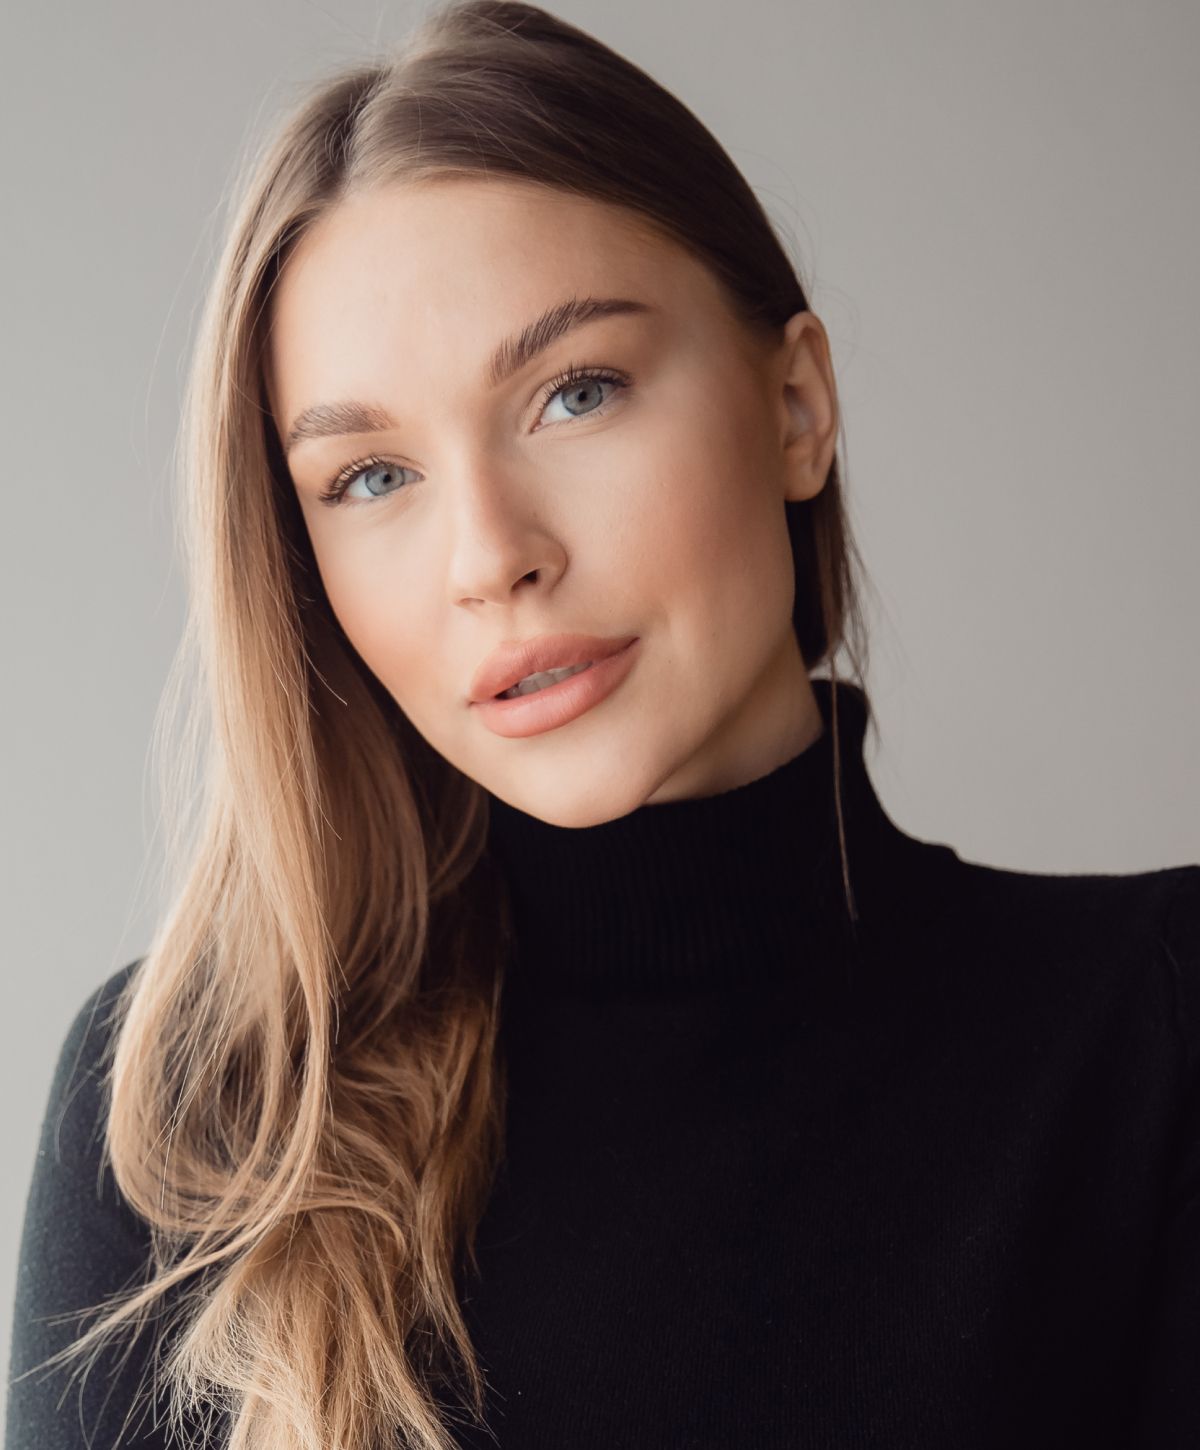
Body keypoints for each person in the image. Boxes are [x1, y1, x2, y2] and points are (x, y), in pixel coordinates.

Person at [6, 2, 1198, 1447]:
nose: (490, 553)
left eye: (576, 392)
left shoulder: (1151, 1033)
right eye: (372, 476)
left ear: (798, 403)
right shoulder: (203, 1114)